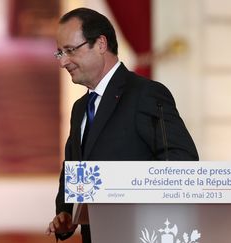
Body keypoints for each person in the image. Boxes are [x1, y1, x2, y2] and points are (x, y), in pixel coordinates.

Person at [45, 8, 198, 243]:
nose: (63, 61)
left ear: (101, 44)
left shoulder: (146, 94)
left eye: (70, 50)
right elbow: (73, 171)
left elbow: (181, 162)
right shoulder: (79, 108)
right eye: (59, 53)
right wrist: (65, 214)